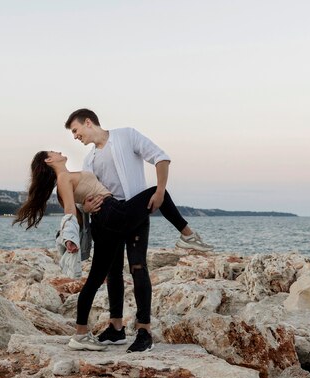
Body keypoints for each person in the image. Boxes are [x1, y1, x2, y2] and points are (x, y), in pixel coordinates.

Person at [14, 151, 208, 351]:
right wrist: (71, 236)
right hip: (111, 211)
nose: (59, 152)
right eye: (53, 152)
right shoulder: (63, 178)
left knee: (96, 278)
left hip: (106, 221)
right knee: (159, 193)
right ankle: (187, 236)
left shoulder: (68, 176)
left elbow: (78, 207)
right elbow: (71, 212)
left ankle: (83, 334)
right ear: (49, 160)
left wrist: (85, 208)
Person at [65, 108, 212, 352]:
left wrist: (160, 192)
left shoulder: (126, 136)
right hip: (106, 219)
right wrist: (85, 206)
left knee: (137, 267)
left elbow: (160, 157)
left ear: (88, 122)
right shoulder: (88, 160)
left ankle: (144, 331)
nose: (75, 137)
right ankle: (116, 328)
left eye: (75, 130)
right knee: (112, 273)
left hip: (133, 213)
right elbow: (84, 196)